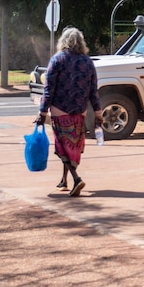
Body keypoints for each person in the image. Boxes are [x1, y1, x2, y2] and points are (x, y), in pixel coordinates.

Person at [34, 27, 102, 197]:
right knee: (73, 145)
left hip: (59, 110)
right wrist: (98, 113)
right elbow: (94, 90)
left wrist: (42, 113)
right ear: (81, 42)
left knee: (63, 146)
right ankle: (64, 180)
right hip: (80, 111)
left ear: (63, 42)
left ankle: (76, 178)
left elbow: (48, 89)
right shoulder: (88, 62)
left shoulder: (57, 60)